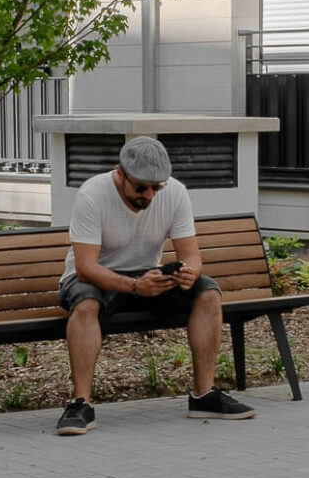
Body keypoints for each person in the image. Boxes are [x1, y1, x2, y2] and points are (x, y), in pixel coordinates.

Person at [56, 135, 255, 434]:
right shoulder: (92, 194)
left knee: (208, 293)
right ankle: (80, 404)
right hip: (95, 277)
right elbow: (85, 267)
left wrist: (188, 272)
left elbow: (192, 256)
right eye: (140, 187)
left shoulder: (175, 192)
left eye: (156, 187)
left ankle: (204, 395)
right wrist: (135, 286)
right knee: (85, 305)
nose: (149, 195)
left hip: (148, 277)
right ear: (120, 173)